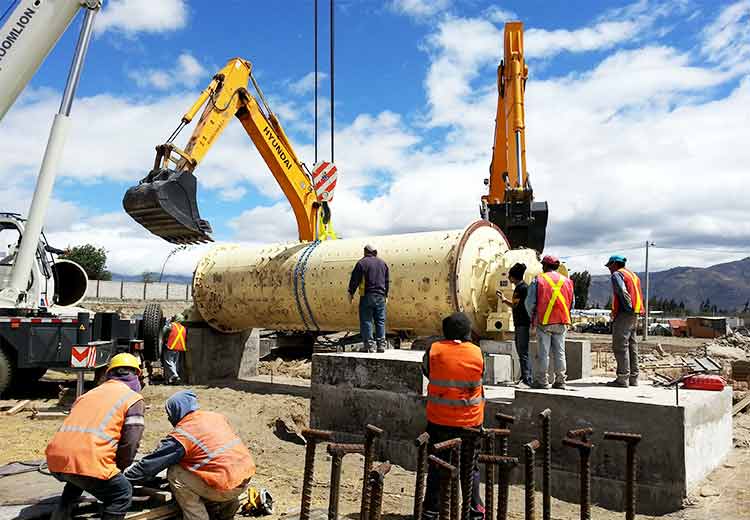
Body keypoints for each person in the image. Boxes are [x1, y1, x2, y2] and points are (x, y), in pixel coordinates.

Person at [124, 390, 256, 520]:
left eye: (169, 413)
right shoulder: (215, 417)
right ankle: (227, 512)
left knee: (176, 473)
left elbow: (152, 464)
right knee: (219, 464)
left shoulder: (184, 434)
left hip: (223, 487)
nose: (169, 418)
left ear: (177, 411)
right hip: (244, 478)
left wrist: (125, 479)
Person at [46, 353, 145, 520]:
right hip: (89, 460)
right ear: (136, 375)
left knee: (77, 479)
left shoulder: (87, 395)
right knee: (122, 493)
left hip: (56, 460)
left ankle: (59, 516)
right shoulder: (133, 399)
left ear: (109, 374)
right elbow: (131, 442)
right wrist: (119, 468)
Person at [421, 312, 484, 520]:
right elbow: (482, 377)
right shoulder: (477, 353)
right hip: (471, 423)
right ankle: (474, 511)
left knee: (438, 466)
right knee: (470, 468)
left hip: (439, 422)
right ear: (467, 332)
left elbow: (427, 371)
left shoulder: (434, 350)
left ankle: (432, 510)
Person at [525, 255, 574, 389]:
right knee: (560, 352)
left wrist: (533, 317)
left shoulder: (538, 279)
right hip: (562, 321)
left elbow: (529, 303)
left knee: (544, 352)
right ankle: (560, 380)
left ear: (545, 265)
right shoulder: (567, 281)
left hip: (544, 321)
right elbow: (572, 303)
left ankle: (542, 381)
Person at [605, 255, 644, 387]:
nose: (609, 269)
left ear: (615, 264)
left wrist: (627, 308)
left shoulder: (617, 274)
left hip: (625, 313)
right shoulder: (633, 275)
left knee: (620, 345)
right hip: (635, 314)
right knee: (632, 345)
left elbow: (622, 292)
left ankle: (622, 378)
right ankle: (633, 378)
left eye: (609, 265)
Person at [348, 244, 389, 353]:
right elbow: (386, 281)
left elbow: (354, 280)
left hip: (367, 296)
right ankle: (381, 345)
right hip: (380, 296)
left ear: (365, 252)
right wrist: (386, 295)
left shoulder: (362, 263)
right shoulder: (383, 263)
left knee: (367, 320)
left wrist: (351, 293)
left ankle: (369, 346)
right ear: (375, 252)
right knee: (380, 320)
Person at [498, 262, 532, 386]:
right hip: (520, 323)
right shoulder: (521, 288)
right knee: (521, 351)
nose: (508, 278)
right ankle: (525, 377)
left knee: (522, 352)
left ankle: (527, 379)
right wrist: (504, 300)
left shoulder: (522, 288)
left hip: (522, 324)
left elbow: (520, 306)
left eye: (509, 276)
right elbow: (516, 306)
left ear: (513, 277)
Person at [162, 314, 186, 385]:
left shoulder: (171, 325)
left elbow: (163, 332)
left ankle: (175, 375)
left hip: (170, 347)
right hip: (178, 348)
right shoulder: (183, 328)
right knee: (175, 363)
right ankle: (171, 380)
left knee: (168, 362)